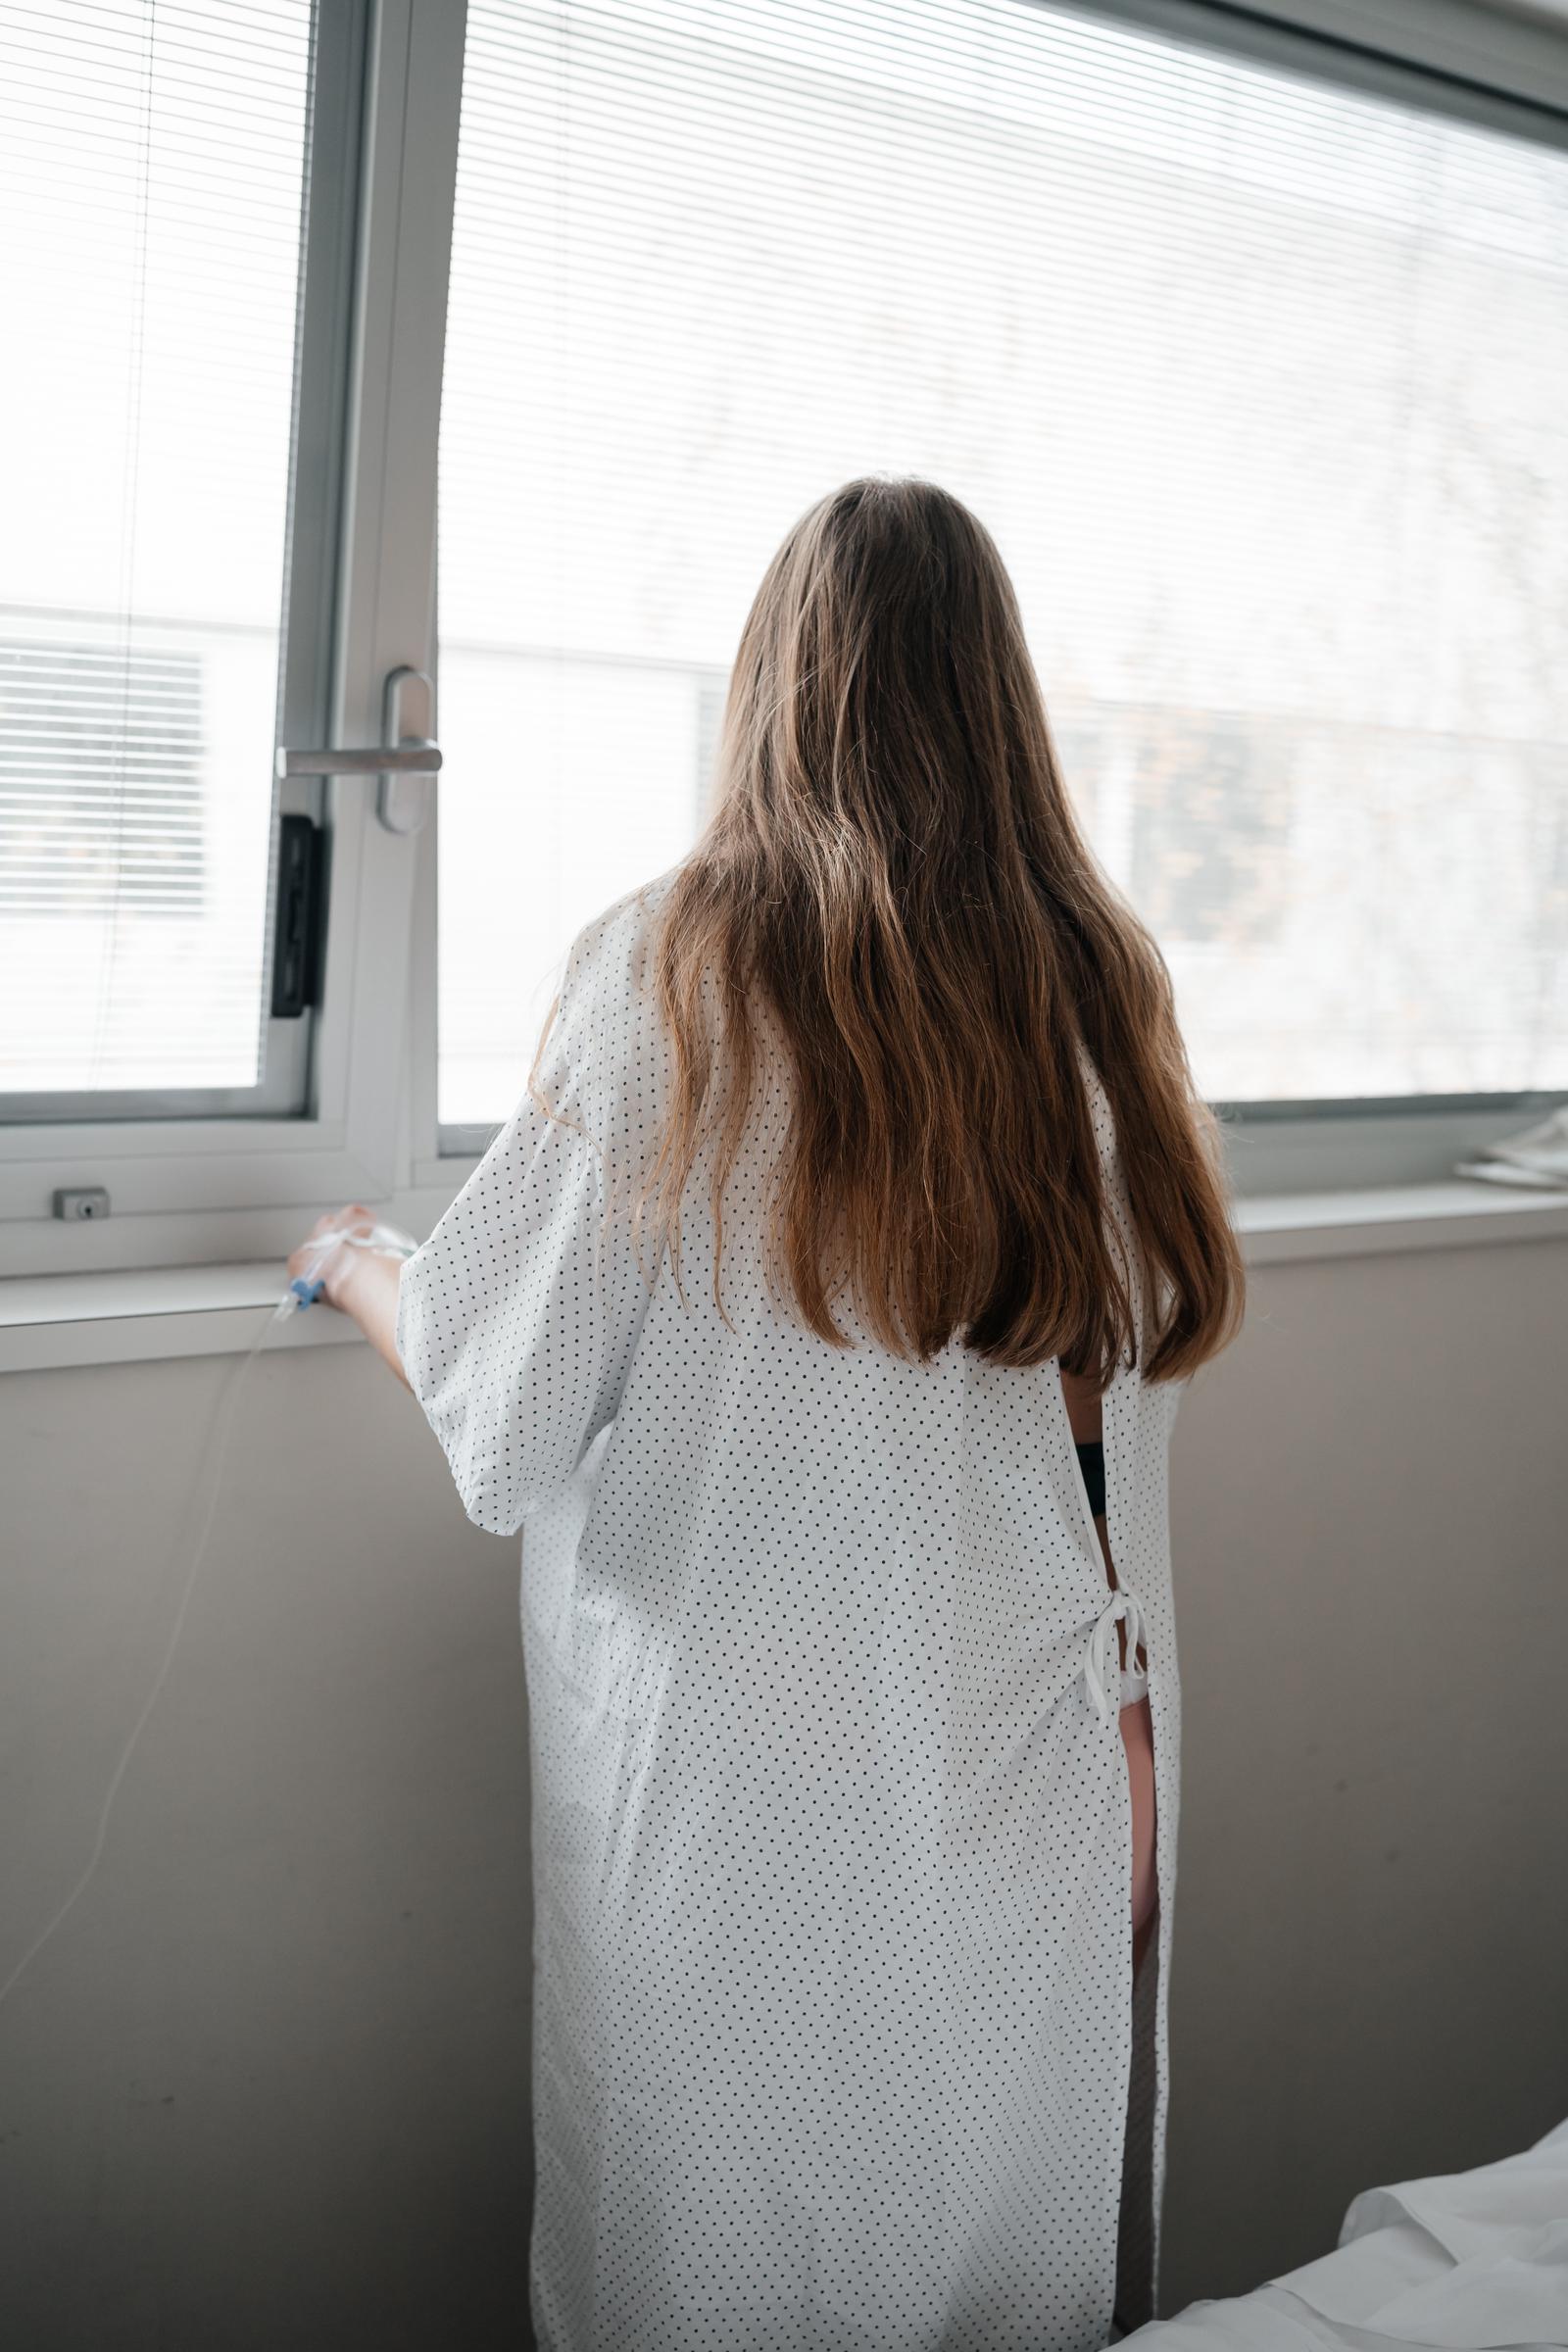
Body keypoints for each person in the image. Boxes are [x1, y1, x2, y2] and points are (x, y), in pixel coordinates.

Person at [291, 477, 1245, 2351]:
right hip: (1054, 1780)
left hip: (744, 1833)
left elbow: (506, 1417)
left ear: (772, 687)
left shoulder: (674, 973)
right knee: (997, 2279)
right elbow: (1091, 1437)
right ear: (1005, 700)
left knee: (728, 2279)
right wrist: (1135, 1766)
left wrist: (356, 1265)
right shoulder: (1096, 981)